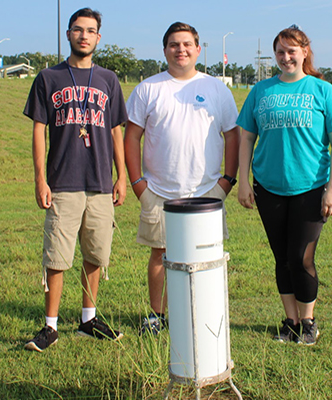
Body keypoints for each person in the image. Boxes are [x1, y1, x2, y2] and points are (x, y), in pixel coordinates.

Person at [235, 25, 332, 346]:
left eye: (292, 50)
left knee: (301, 257)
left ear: (304, 52)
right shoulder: (261, 91)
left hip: (311, 188)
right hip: (269, 187)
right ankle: (291, 322)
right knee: (281, 257)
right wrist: (243, 181)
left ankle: (309, 322)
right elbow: (247, 137)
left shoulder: (322, 91)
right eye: (281, 51)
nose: (286, 57)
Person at [22, 7, 128, 352]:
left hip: (99, 181)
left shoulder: (108, 80)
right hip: (63, 180)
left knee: (96, 252)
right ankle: (50, 326)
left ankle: (88, 318)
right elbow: (39, 131)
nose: (84, 35)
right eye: (78, 29)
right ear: (68, 34)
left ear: (99, 38)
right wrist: (40, 179)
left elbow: (115, 132)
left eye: (91, 30)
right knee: (57, 255)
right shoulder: (48, 78)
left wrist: (122, 176)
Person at [124, 22, 239, 335]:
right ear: (164, 51)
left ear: (198, 49)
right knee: (160, 254)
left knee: (206, 257)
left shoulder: (217, 89)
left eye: (187, 44)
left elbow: (232, 136)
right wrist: (138, 185)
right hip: (159, 191)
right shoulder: (148, 89)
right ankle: (157, 317)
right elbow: (131, 137)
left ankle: (203, 316)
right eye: (174, 44)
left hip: (207, 192)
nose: (181, 50)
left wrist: (227, 182)